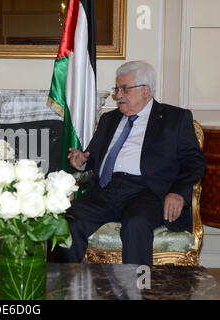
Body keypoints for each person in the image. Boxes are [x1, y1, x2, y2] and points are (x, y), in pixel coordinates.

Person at [57, 60, 207, 265]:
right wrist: (82, 162)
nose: (118, 95)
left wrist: (179, 192)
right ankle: (70, 287)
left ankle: (137, 290)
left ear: (146, 90)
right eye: (117, 89)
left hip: (148, 192)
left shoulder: (175, 118)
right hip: (106, 190)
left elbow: (194, 162)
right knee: (66, 220)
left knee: (136, 224)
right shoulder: (109, 119)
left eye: (124, 89)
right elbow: (92, 159)